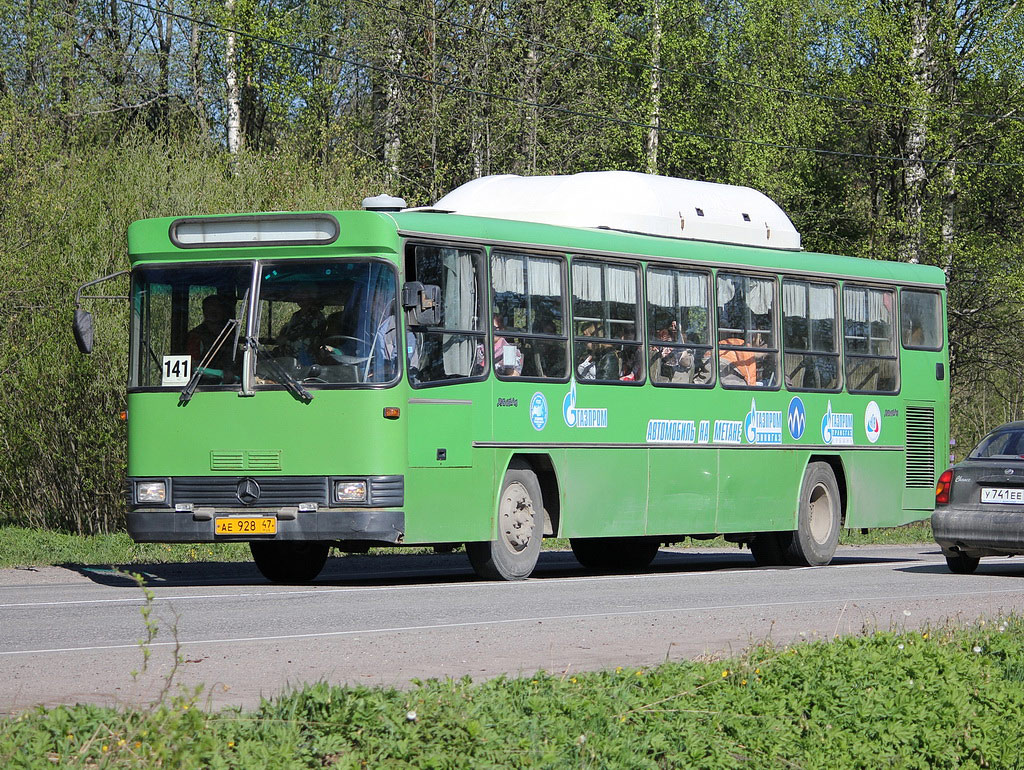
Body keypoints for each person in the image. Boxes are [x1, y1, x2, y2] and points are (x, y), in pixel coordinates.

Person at [186, 295, 236, 381]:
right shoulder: (196, 336)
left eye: (217, 308)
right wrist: (220, 374)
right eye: (209, 309)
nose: (213, 313)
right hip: (204, 385)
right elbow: (192, 366)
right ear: (204, 311)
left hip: (232, 383)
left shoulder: (228, 334)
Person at [275, 297, 326, 366]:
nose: (300, 296)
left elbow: (308, 335)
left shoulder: (316, 316)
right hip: (289, 359)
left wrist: (286, 338)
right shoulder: (296, 315)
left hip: (305, 357)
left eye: (304, 295)